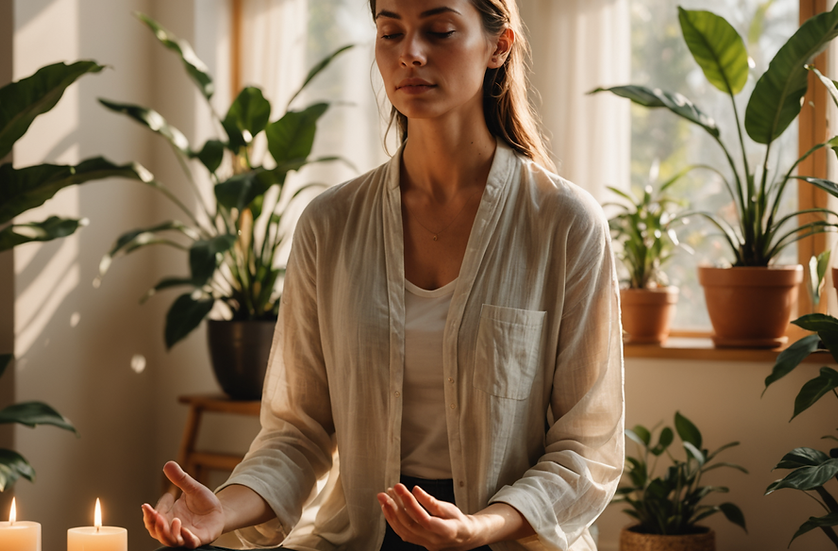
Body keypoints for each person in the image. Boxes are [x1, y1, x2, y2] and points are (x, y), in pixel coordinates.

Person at [142, 1, 624, 550]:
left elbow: (585, 448)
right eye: (390, 32)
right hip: (359, 538)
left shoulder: (564, 223)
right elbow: (297, 434)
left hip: (505, 538)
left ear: (499, 45)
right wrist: (220, 510)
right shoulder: (331, 224)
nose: (409, 54)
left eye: (439, 31)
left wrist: (478, 526)